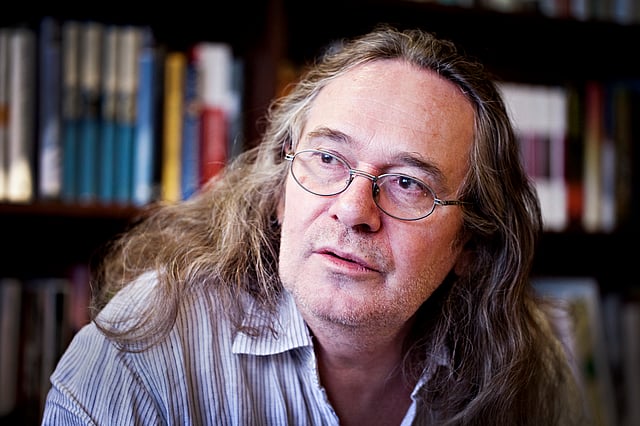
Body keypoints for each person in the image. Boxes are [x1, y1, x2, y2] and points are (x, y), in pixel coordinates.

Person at [42, 25, 588, 425]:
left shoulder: (516, 371)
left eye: (407, 183)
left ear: (468, 243)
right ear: (280, 190)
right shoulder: (144, 349)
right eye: (328, 159)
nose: (352, 210)